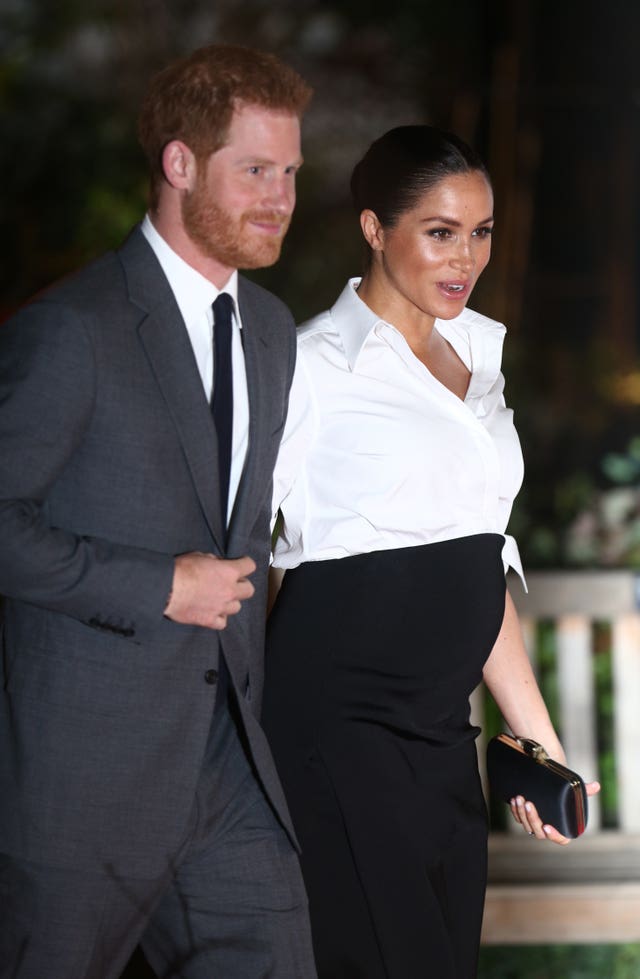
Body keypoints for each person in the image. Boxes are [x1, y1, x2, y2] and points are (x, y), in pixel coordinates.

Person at [0, 44, 318, 979]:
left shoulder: (267, 328)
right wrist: (156, 584)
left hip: (228, 777)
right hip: (79, 787)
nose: (281, 198)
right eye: (255, 170)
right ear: (181, 164)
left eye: (291, 173)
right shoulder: (72, 329)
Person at [261, 125, 600, 979]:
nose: (467, 257)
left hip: (444, 734)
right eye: (440, 232)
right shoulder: (305, 367)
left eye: (481, 232)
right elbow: (246, 555)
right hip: (336, 728)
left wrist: (541, 742)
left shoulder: (480, 356)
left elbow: (479, 566)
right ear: (375, 228)